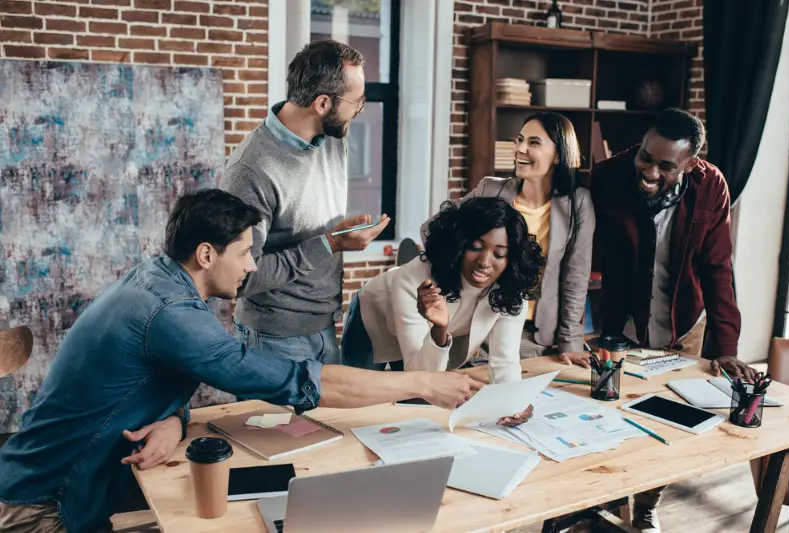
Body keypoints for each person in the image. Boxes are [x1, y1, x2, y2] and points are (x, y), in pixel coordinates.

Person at [0, 189, 481, 533]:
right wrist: (422, 385)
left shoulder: (156, 279)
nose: (253, 266)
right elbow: (302, 383)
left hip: (54, 485)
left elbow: (144, 376)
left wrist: (173, 418)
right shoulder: (171, 314)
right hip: (43, 508)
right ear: (207, 254)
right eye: (247, 252)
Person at [590, 108, 756, 533]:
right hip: (622, 319)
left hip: (683, 321)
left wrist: (726, 347)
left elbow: (719, 268)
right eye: (646, 157)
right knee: (611, 410)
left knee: (669, 416)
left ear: (691, 164)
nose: (649, 171)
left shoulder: (711, 186)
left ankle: (646, 503)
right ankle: (601, 499)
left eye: (666, 166)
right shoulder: (608, 176)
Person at [220, 39, 389, 365]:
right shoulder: (251, 171)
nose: (359, 110)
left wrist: (337, 236)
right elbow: (238, 278)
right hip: (273, 341)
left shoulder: (331, 138)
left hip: (325, 329)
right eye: (357, 102)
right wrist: (330, 244)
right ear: (323, 103)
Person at [342, 197, 544, 424]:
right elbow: (418, 376)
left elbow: (504, 361)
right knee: (358, 400)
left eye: (499, 254)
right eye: (475, 247)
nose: (485, 262)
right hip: (373, 318)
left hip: (424, 335)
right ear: (459, 243)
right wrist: (440, 328)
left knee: (415, 404)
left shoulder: (511, 287)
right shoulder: (413, 278)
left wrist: (513, 402)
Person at [424, 112, 595, 367]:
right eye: (519, 140)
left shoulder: (577, 203)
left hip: (535, 338)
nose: (520, 149)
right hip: (480, 330)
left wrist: (570, 341)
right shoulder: (491, 189)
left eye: (534, 143)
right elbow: (432, 229)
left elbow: (575, 278)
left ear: (558, 155)